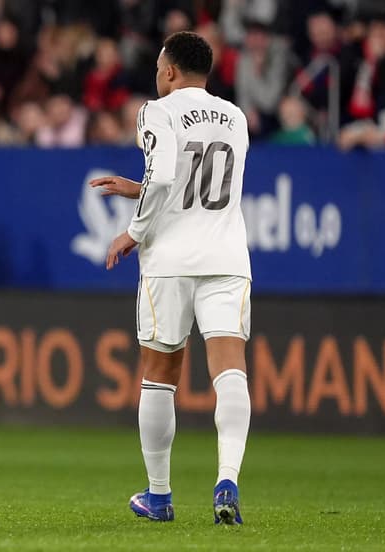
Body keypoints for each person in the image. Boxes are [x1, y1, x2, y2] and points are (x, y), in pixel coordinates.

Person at [90, 31, 251, 524]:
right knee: (230, 370)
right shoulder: (235, 117)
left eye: (160, 66)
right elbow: (196, 184)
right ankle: (228, 479)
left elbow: (163, 177)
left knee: (159, 376)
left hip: (170, 261)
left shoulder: (155, 111)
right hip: (226, 256)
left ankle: (159, 496)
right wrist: (138, 188)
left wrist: (133, 231)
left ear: (170, 71)